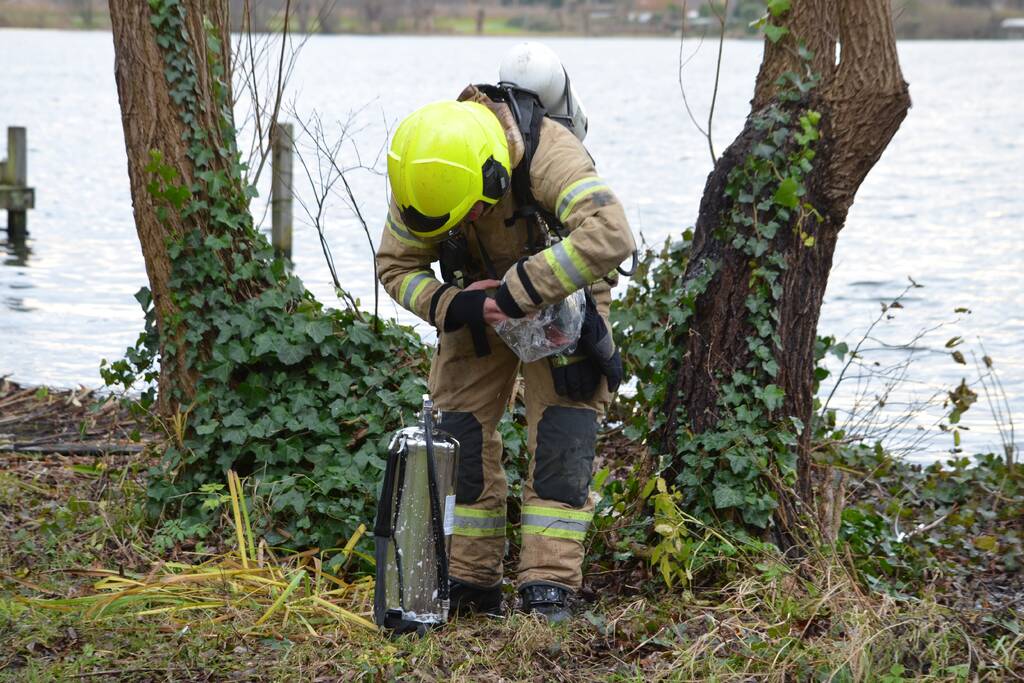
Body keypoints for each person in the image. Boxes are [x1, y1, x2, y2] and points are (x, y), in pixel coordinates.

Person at [376, 74, 634, 623]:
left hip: (561, 304)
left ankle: (550, 588)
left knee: (564, 440)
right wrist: (457, 305)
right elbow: (397, 266)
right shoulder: (426, 172)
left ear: (493, 175)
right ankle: (471, 579)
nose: (469, 222)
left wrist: (520, 292)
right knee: (459, 434)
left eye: (473, 211)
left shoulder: (548, 154)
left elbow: (610, 233)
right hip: (476, 302)